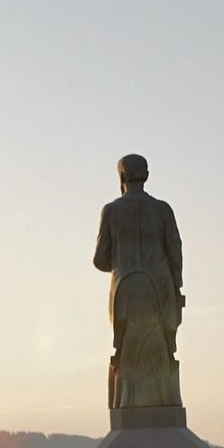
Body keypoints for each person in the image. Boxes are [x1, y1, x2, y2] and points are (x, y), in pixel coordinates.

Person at [92, 153, 185, 410]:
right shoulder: (163, 210)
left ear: (122, 176)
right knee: (162, 349)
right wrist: (176, 287)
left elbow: (100, 259)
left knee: (126, 352)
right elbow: (175, 250)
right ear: (145, 175)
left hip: (126, 288)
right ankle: (165, 400)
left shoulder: (111, 211)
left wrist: (123, 258)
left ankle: (126, 402)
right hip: (160, 288)